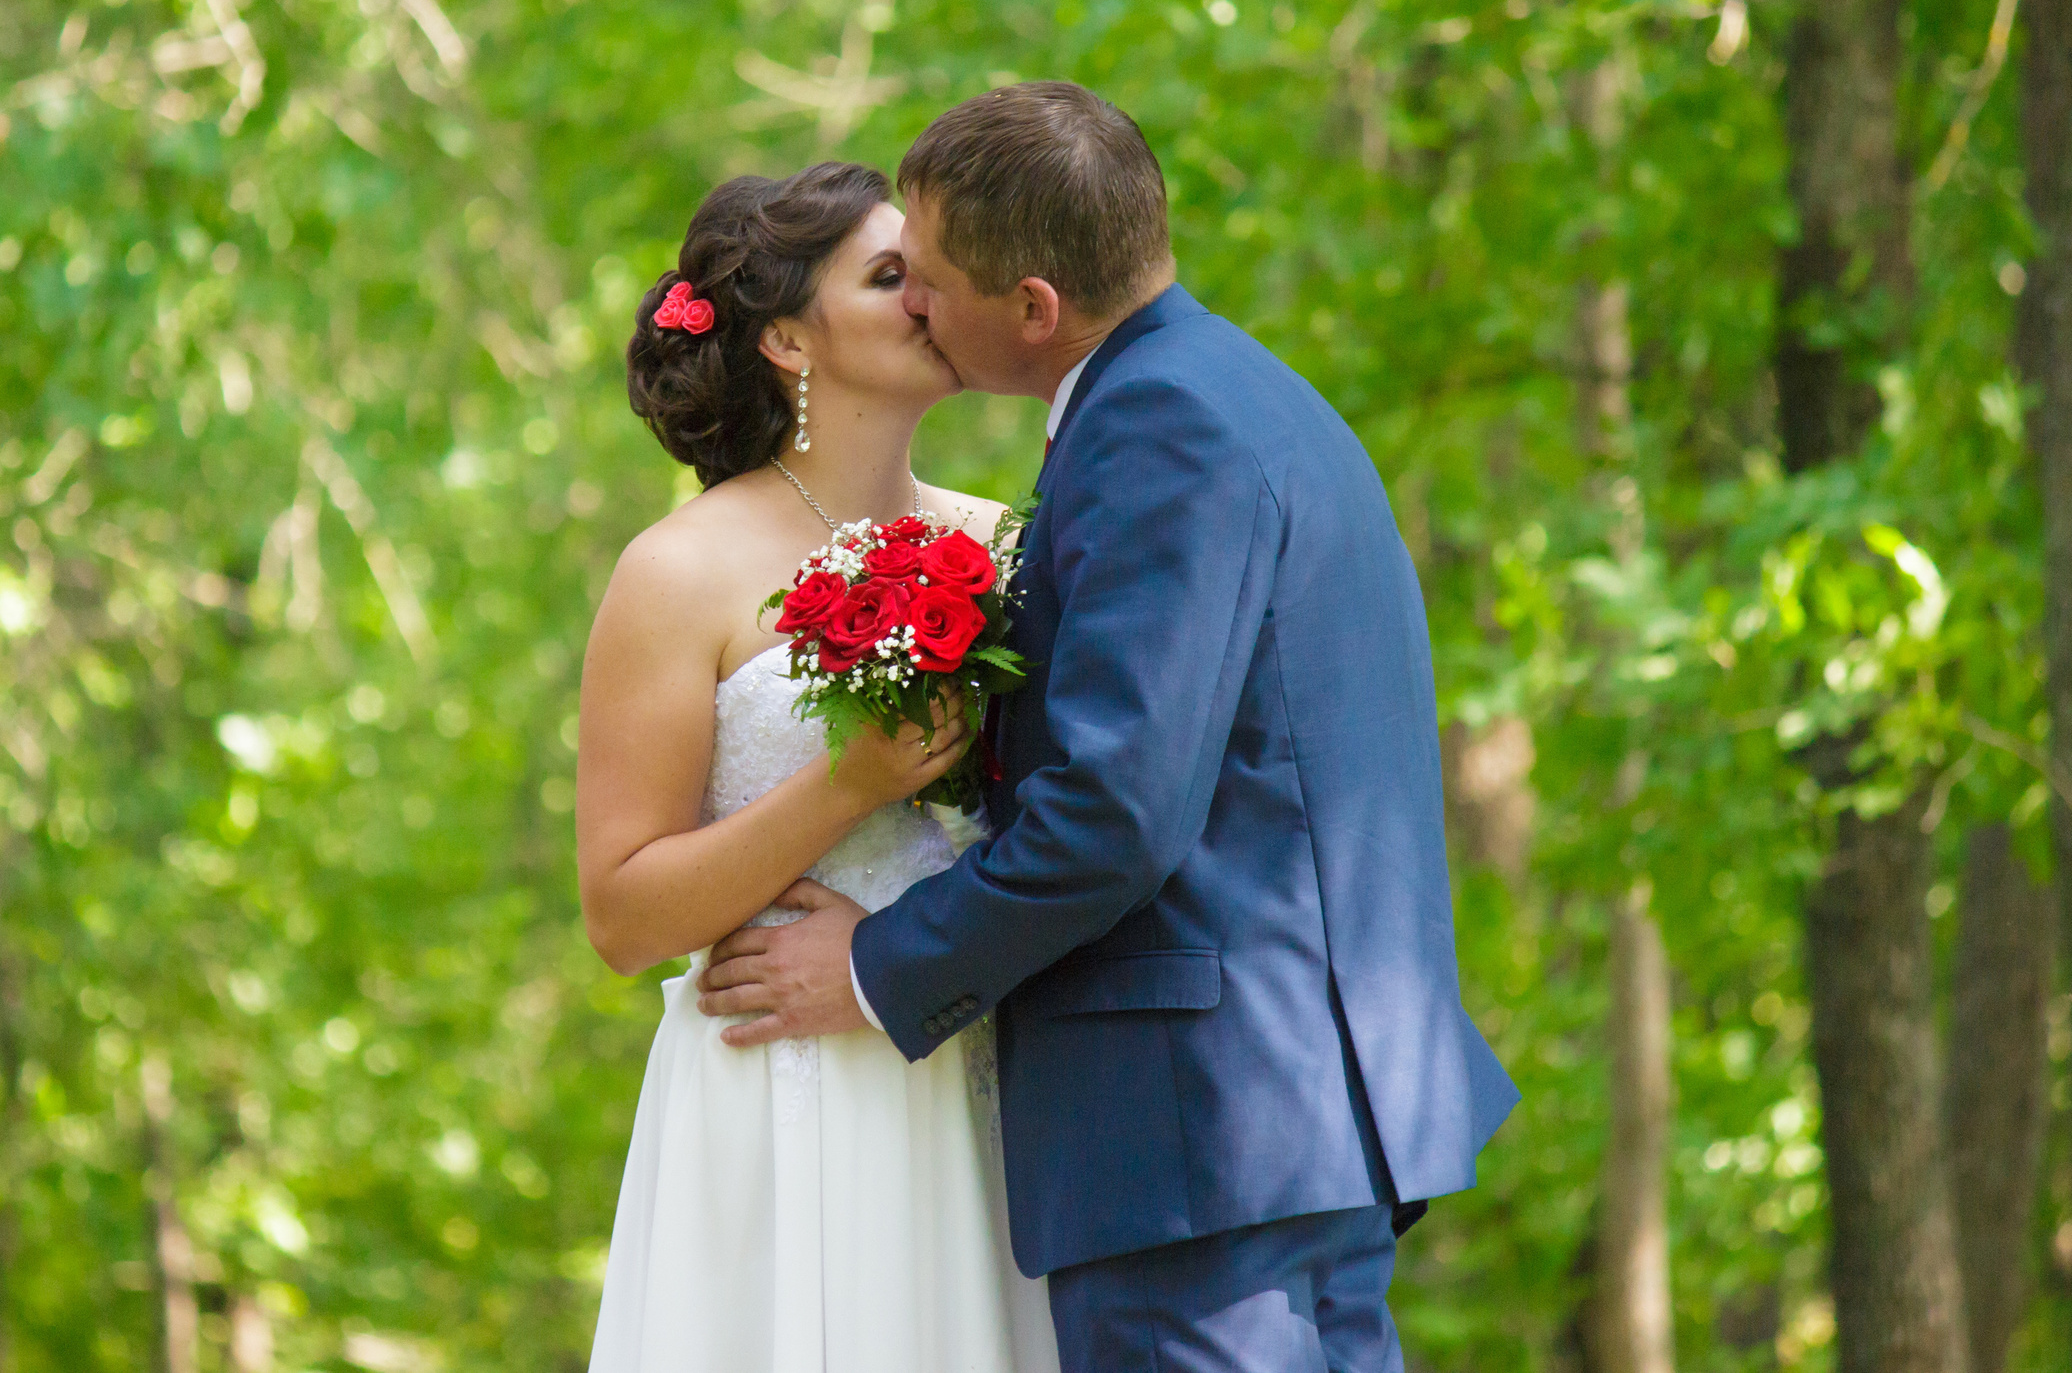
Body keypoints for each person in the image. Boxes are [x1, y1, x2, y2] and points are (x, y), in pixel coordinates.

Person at [694, 83, 1520, 1371]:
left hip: (1206, 1129)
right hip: (1286, 1116)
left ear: (1032, 307)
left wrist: (871, 968)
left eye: (931, 281)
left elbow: (1113, 813)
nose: (913, 305)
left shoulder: (1158, 430)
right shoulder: (1231, 391)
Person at [576, 161, 1060, 1372]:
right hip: (779, 1087)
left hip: (973, 1061)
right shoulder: (678, 572)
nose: (931, 297)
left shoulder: (1006, 540)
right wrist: (846, 786)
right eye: (893, 276)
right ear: (789, 340)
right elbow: (625, 914)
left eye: (933, 272)